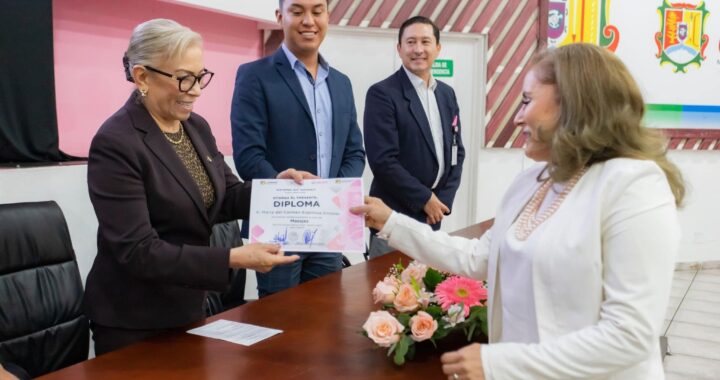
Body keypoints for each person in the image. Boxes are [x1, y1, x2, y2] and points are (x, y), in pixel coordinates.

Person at [352, 43, 685, 379]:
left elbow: (631, 337)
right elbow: (477, 257)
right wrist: (391, 221)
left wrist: (499, 364)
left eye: (527, 100)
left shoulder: (633, 184)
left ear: (573, 103)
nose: (517, 116)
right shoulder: (532, 181)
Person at [84, 19, 310, 355]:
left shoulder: (195, 126)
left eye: (200, 75)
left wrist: (277, 189)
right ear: (143, 77)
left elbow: (227, 196)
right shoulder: (116, 143)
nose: (197, 90)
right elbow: (138, 251)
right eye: (183, 78)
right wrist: (232, 258)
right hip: (134, 320)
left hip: (187, 307)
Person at [230, 0, 365, 297]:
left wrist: (335, 192)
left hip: (329, 227)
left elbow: (355, 151)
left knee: (326, 318)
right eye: (297, 11)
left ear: (327, 16)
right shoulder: (255, 75)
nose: (309, 20)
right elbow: (248, 155)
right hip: (278, 227)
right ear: (280, 17)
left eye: (317, 11)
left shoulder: (341, 83)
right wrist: (290, 189)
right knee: (278, 322)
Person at [363, 16, 465, 258]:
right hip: (393, 216)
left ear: (437, 48)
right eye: (410, 42)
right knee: (388, 291)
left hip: (433, 217)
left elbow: (456, 152)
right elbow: (383, 161)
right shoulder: (382, 94)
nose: (418, 49)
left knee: (427, 292)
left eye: (425, 42)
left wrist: (441, 203)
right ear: (399, 49)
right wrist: (424, 199)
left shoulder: (446, 94)